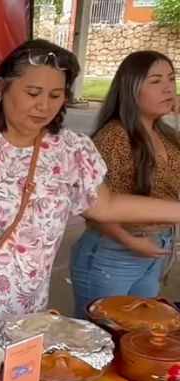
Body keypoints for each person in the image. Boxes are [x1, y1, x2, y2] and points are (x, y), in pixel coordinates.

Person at [0, 39, 180, 366]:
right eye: (32, 93)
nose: (44, 105)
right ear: (2, 87)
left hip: (24, 317)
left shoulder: (71, 150)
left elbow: (106, 205)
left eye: (55, 96)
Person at [69, 51, 180, 317]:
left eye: (171, 79)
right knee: (103, 337)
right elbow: (94, 208)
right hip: (114, 252)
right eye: (154, 81)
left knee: (142, 330)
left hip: (154, 248)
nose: (167, 88)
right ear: (130, 89)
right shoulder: (115, 137)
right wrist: (130, 241)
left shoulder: (165, 135)